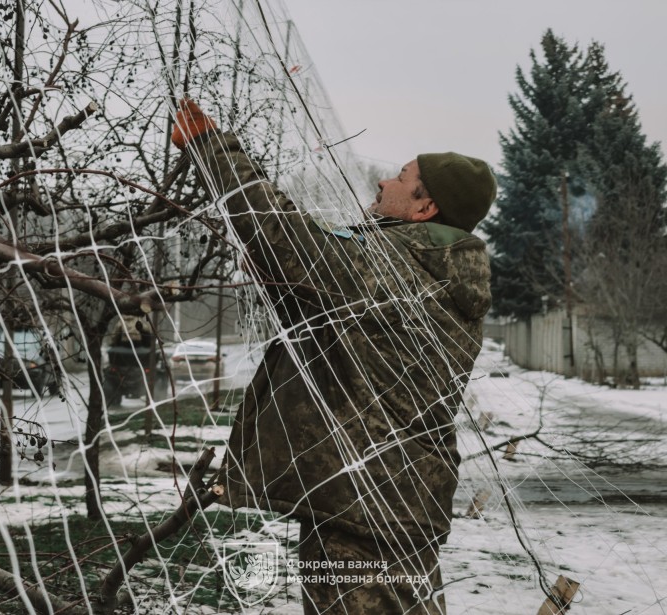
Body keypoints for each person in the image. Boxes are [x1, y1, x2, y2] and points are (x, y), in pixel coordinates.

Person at [172, 98, 495, 614]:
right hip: (381, 504)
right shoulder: (434, 278)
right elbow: (321, 308)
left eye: (400, 177)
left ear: (425, 207)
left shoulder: (396, 271)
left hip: (367, 511)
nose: (383, 182)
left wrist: (213, 148)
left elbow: (284, 237)